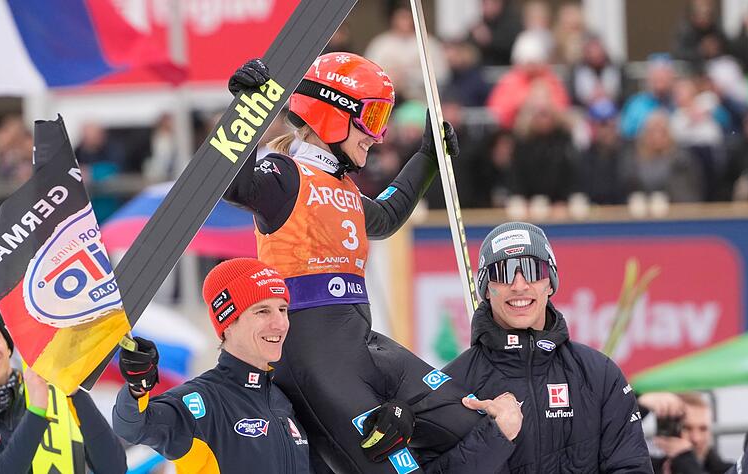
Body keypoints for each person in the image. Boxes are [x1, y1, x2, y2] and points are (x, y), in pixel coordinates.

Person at [224, 54, 516, 473]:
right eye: (372, 116)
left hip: (365, 346)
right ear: (331, 112)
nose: (377, 136)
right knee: (394, 468)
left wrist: (428, 157)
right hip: (313, 358)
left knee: (477, 424)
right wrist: (246, 109)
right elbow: (235, 186)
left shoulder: (341, 186)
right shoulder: (284, 173)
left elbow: (387, 214)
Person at [442, 222, 653, 472]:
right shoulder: (452, 385)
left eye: (532, 270)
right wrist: (493, 437)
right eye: (503, 272)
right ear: (487, 289)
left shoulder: (600, 375)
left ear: (550, 283)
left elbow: (631, 467)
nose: (519, 285)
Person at [112, 258, 312, 473]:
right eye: (262, 311)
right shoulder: (203, 401)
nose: (280, 323)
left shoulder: (284, 400)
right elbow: (132, 426)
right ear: (228, 323)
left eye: (282, 309)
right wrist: (137, 386)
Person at [0, 291, 127, 474]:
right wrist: (36, 413)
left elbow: (114, 467)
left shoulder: (57, 391)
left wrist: (75, 392)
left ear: (8, 346)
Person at [648, 392, 733, 474]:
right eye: (687, 428)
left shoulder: (729, 470)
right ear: (669, 429)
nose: (696, 438)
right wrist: (642, 403)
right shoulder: (649, 468)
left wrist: (688, 463)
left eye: (703, 429)